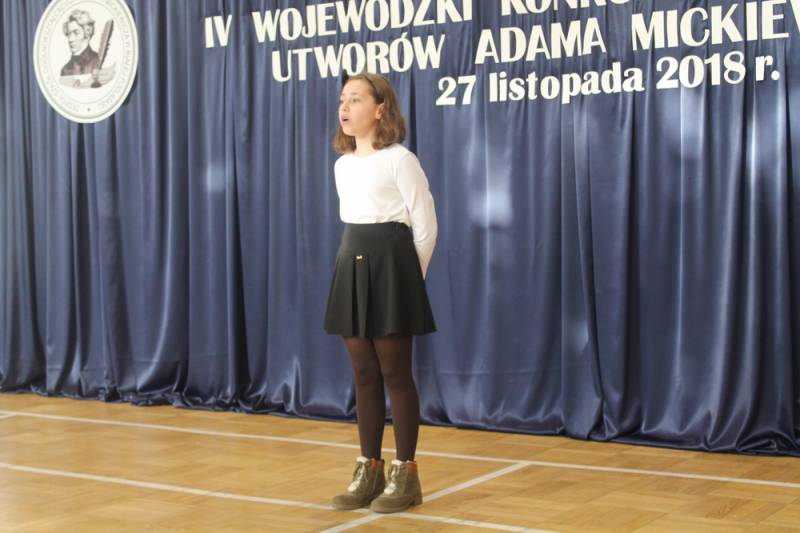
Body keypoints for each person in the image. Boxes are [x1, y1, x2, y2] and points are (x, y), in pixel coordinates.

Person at [324, 71, 438, 514]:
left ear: (380, 108)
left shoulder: (399, 160)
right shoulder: (342, 165)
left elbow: (425, 226)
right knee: (363, 374)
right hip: (351, 266)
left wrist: (409, 282)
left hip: (393, 269)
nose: (345, 107)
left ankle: (405, 474)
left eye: (355, 99)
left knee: (395, 373)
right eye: (343, 99)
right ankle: (368, 468)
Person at [60, 10, 100, 77]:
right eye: (69, 34)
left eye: (76, 33)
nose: (70, 39)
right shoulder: (65, 70)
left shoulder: (99, 61)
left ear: (87, 33)